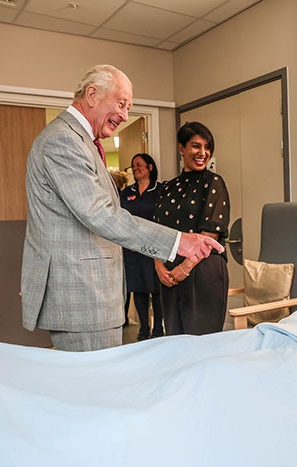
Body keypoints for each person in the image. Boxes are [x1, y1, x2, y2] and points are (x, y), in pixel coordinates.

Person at [21, 65, 223, 352]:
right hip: (83, 294)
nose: (126, 115)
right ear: (92, 95)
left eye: (128, 107)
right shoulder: (63, 140)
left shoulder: (82, 142)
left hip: (92, 291)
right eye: (122, 104)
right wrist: (178, 242)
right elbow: (100, 214)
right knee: (95, 379)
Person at [153, 121, 230, 335]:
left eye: (207, 147)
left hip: (203, 270)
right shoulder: (168, 187)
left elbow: (210, 233)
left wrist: (184, 269)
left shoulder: (214, 182)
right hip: (169, 274)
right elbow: (157, 231)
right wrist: (159, 267)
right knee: (173, 338)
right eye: (196, 146)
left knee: (201, 341)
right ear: (182, 148)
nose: (203, 153)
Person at [120, 153, 164, 340]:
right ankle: (144, 329)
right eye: (133, 165)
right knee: (138, 288)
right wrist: (128, 240)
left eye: (139, 164)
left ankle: (158, 329)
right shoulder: (126, 193)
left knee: (157, 289)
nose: (135, 168)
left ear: (150, 167)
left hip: (155, 248)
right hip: (134, 249)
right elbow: (121, 218)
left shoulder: (161, 190)